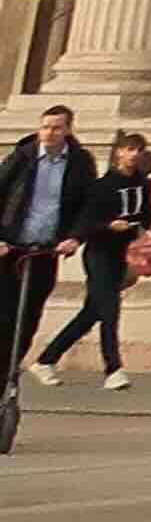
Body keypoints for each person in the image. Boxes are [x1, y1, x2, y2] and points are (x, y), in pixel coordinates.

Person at [29, 135, 151, 391]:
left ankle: (46, 360)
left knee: (91, 313)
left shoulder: (142, 184)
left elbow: (146, 214)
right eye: (129, 149)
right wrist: (108, 225)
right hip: (99, 254)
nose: (134, 155)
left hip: (123, 255)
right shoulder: (102, 186)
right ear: (118, 153)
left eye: (138, 150)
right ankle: (113, 369)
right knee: (110, 311)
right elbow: (88, 220)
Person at [0, 106, 85, 379]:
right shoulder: (22, 157)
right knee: (4, 315)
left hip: (45, 251)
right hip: (11, 248)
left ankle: (9, 372)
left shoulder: (80, 162)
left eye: (56, 128)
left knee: (29, 317)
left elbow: (86, 206)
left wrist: (75, 237)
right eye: (45, 127)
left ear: (68, 130)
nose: (49, 133)